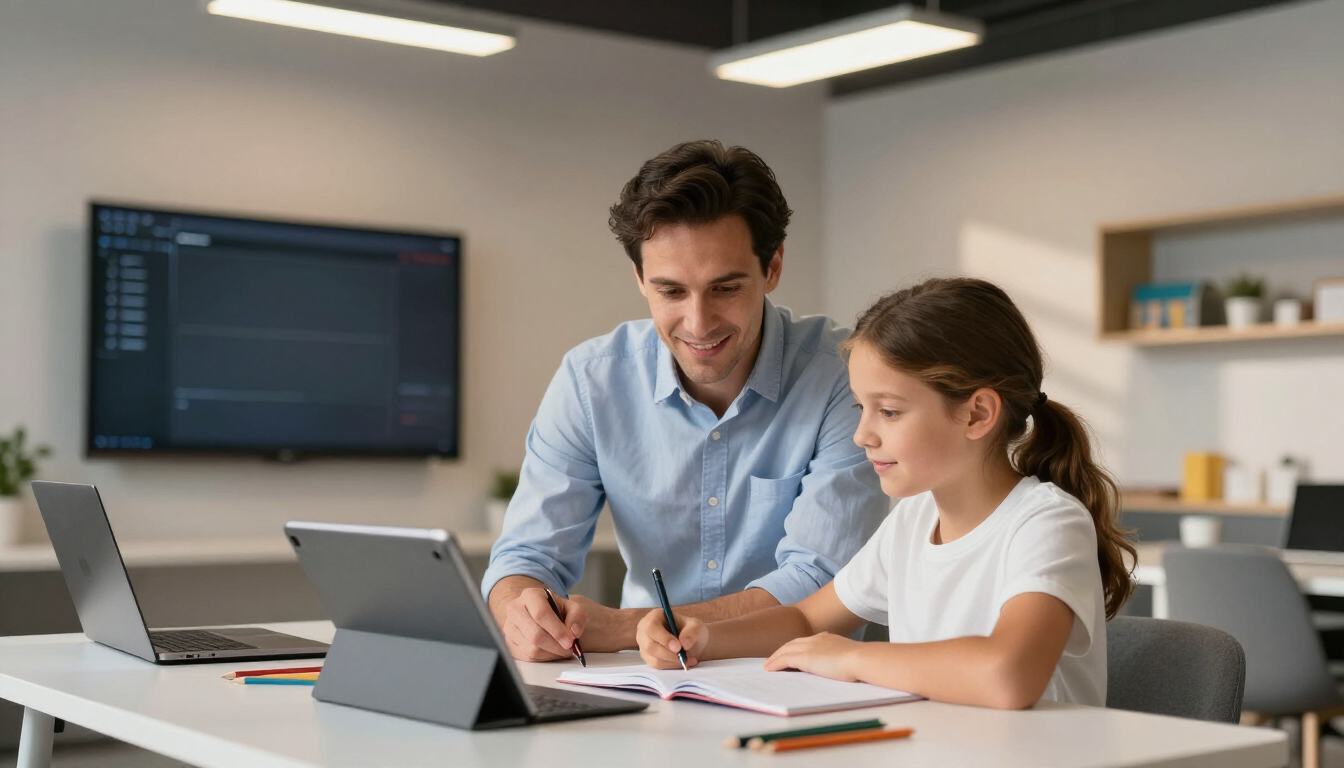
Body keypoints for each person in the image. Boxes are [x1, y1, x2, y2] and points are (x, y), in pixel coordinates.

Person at [636, 277, 1136, 709]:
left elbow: (1007, 675)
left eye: (890, 412)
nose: (863, 435)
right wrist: (703, 635)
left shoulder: (1045, 523)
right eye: (861, 408)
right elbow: (808, 618)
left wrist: (852, 657)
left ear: (978, 414)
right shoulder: (912, 522)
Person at [482, 140, 889, 661]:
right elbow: (525, 554)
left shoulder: (845, 376)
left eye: (725, 289)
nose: (698, 324)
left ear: (773, 268)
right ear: (639, 278)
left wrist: (630, 627)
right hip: (645, 683)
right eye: (671, 291)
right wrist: (524, 610)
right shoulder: (591, 381)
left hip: (797, 679)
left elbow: (821, 579)